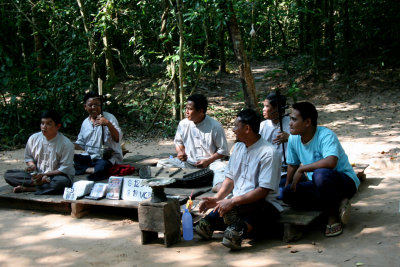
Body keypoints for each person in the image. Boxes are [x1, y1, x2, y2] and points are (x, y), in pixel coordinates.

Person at [194, 109, 282, 250]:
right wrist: (217, 198)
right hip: (239, 203)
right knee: (203, 227)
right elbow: (230, 179)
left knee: (232, 234)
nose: (233, 130)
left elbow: (263, 191)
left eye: (236, 126)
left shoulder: (269, 153)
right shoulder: (239, 148)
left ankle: (239, 226)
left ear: (247, 129)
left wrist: (232, 201)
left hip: (263, 204)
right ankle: (232, 220)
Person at [282, 102, 359, 237]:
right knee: (288, 193)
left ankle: (333, 217)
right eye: (290, 119)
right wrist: (289, 185)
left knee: (320, 174)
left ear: (307, 122)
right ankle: (339, 202)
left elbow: (331, 162)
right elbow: (292, 165)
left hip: (344, 182)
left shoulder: (326, 135)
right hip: (318, 185)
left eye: (294, 119)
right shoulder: (294, 138)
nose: (290, 123)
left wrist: (302, 169)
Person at [157, 94, 229, 192]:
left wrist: (207, 161)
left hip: (209, 165)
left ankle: (217, 186)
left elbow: (223, 151)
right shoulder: (183, 124)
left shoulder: (215, 126)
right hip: (188, 163)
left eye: (190, 109)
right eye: (186, 108)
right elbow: (178, 142)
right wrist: (180, 152)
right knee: (162, 163)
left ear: (201, 111)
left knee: (221, 167)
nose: (186, 112)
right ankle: (191, 180)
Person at [4, 110, 75, 194]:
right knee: (8, 175)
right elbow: (28, 157)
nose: (44, 127)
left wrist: (46, 175)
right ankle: (39, 184)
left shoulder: (66, 144)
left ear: (57, 126)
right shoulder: (33, 138)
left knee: (61, 183)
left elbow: (64, 168)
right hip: (37, 176)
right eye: (42, 123)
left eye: (49, 123)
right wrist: (32, 166)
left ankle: (28, 188)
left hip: (56, 177)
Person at [74, 91, 123, 181]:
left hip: (106, 158)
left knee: (102, 166)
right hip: (90, 157)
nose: (94, 108)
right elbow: (80, 144)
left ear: (101, 105)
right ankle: (91, 170)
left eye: (97, 105)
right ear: (85, 107)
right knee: (70, 159)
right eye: (90, 105)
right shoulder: (85, 122)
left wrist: (108, 124)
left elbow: (117, 139)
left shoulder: (109, 118)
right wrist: (70, 144)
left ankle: (90, 170)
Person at [260, 91, 290, 189]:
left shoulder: (291, 124)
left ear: (277, 109)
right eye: (263, 106)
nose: (263, 109)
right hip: (267, 169)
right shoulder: (263, 125)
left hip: (286, 171)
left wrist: (290, 138)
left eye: (267, 106)